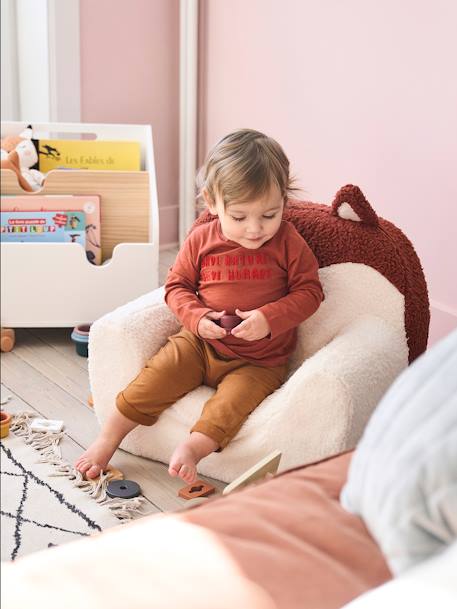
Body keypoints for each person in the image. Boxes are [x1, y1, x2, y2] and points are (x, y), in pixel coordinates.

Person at [75, 129, 324, 484]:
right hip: (199, 344)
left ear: (284, 199)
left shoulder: (289, 243)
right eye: (239, 217)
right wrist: (197, 318)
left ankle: (192, 448)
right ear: (212, 202)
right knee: (149, 383)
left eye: (269, 214)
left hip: (259, 360)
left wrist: (269, 319)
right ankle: (107, 439)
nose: (255, 230)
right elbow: (176, 287)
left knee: (230, 408)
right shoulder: (201, 240)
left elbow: (310, 292)